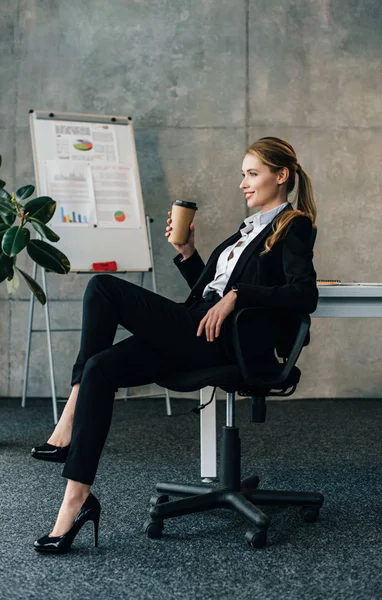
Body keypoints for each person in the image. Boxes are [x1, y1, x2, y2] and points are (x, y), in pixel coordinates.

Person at [31, 136, 318, 554]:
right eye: (243, 174)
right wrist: (187, 253)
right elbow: (208, 292)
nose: (243, 182)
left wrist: (239, 295)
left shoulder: (293, 225)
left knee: (104, 289)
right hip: (195, 327)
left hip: (224, 343)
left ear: (282, 176)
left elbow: (303, 294)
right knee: (101, 368)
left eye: (252, 174)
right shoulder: (247, 229)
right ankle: (74, 504)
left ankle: (69, 415)